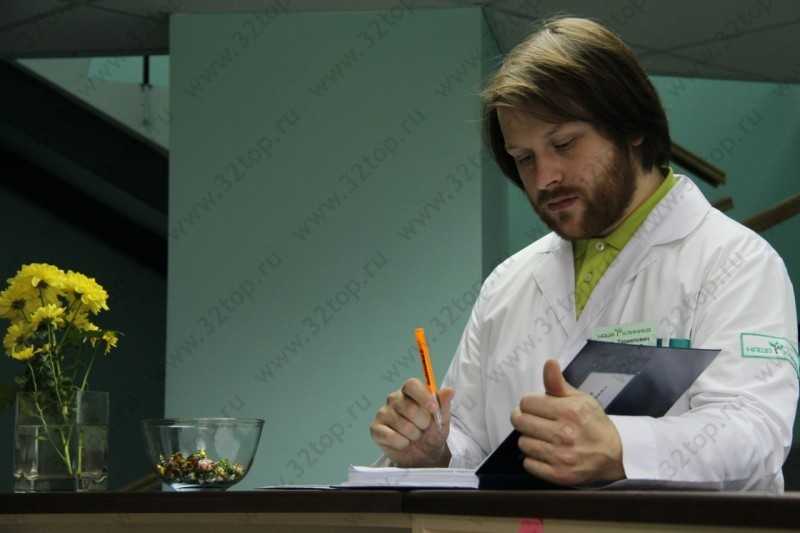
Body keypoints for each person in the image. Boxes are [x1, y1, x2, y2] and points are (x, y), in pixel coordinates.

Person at [369, 16, 798, 491]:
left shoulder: (737, 262)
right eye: (524, 158)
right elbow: (474, 441)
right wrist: (435, 450)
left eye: (564, 144)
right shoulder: (508, 284)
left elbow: (755, 431)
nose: (545, 177)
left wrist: (620, 446)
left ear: (631, 127)